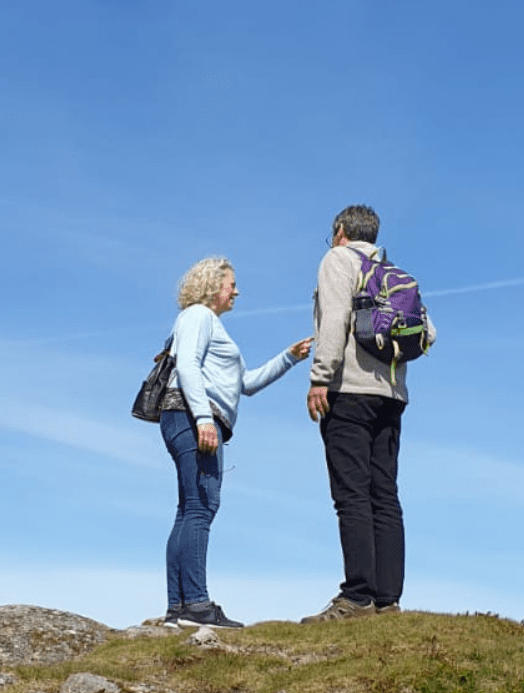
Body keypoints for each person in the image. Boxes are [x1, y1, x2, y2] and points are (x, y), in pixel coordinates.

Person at [160, 256, 312, 630]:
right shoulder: (199, 317)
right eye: (231, 284)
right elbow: (188, 367)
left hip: (189, 416)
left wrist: (289, 358)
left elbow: (247, 383)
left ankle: (179, 608)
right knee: (201, 507)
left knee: (190, 508)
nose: (237, 291)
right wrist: (203, 419)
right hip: (192, 416)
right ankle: (195, 604)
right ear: (214, 286)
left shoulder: (208, 324)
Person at [302, 205, 435, 623]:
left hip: (350, 391)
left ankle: (357, 596)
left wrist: (320, 377)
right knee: (385, 495)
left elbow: (336, 319)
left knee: (351, 494)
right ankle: (387, 599)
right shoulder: (394, 274)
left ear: (340, 231)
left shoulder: (338, 260)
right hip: (392, 395)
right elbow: (428, 333)